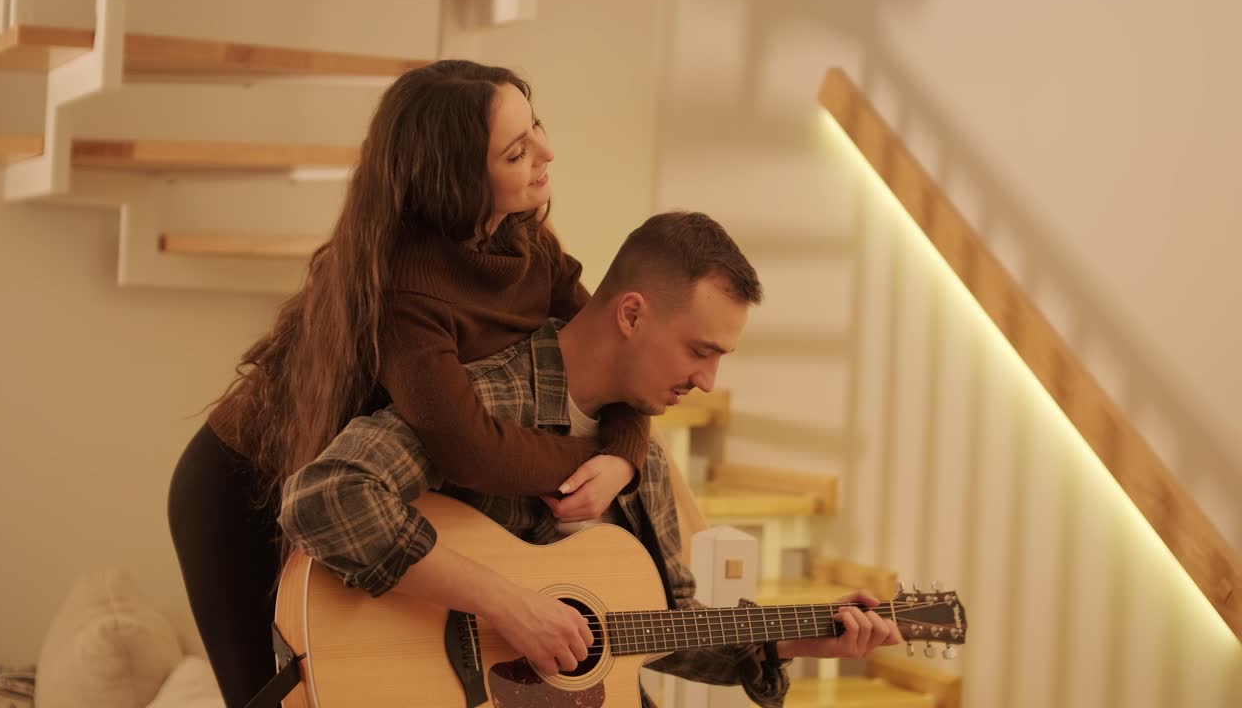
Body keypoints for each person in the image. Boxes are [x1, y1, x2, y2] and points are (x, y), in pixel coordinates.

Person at [169, 60, 650, 708]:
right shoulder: (404, 284)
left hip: (349, 475)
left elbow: (608, 356)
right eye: (516, 151)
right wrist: (592, 457)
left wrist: (625, 454)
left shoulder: (527, 245)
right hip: (237, 485)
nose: (547, 152)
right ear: (458, 184)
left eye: (535, 124)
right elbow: (468, 450)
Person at [280, 212, 903, 708]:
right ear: (631, 313)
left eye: (721, 359)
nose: (709, 381)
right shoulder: (489, 399)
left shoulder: (641, 459)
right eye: (699, 350)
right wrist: (510, 606)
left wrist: (797, 637)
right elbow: (324, 498)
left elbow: (658, 627)